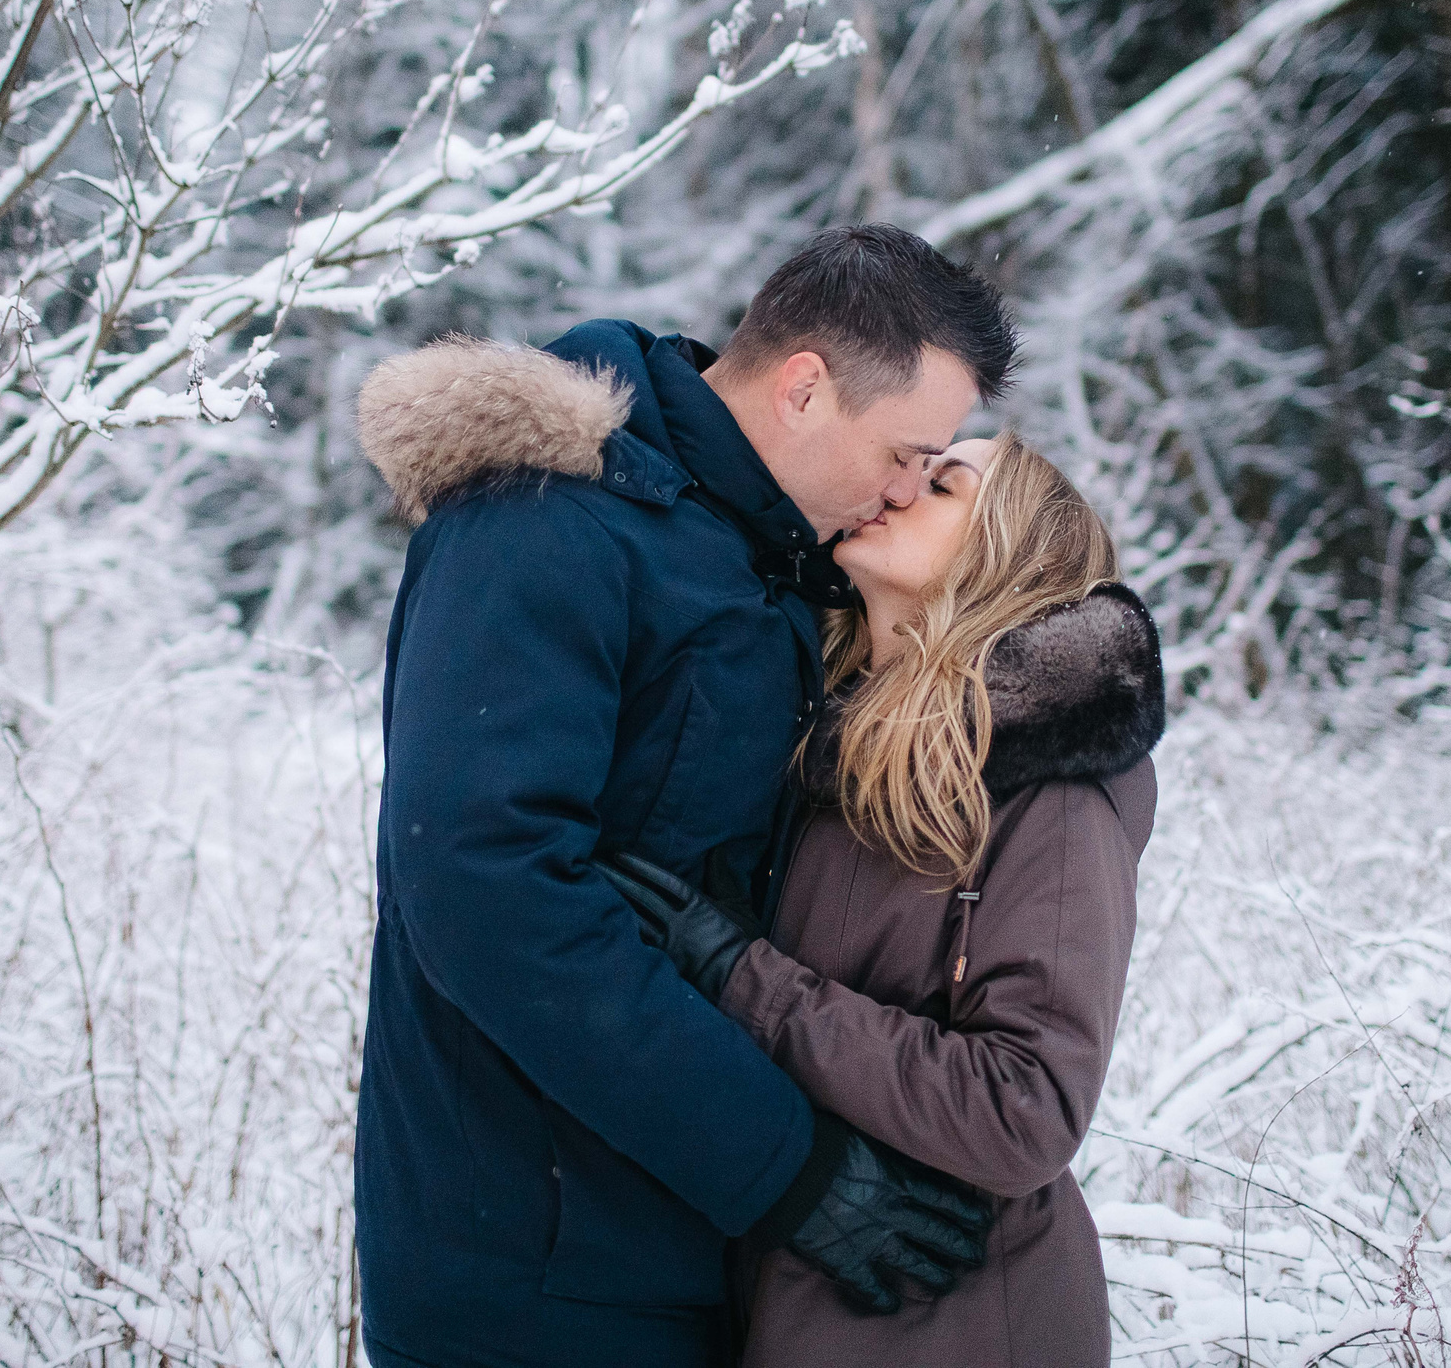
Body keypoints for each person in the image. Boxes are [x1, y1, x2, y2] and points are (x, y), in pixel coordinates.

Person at [351, 225, 1019, 1368]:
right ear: (805, 387)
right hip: (534, 1267)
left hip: (671, 1241)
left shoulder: (751, 555)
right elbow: (486, 893)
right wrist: (785, 1168)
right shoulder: (546, 525)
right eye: (907, 452)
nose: (910, 489)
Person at [604, 432, 1166, 1367]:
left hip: (962, 1316)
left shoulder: (1053, 782)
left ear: (1005, 552)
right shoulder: (829, 737)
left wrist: (745, 979)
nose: (899, 488)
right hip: (798, 1300)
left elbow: (1027, 1107)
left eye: (943, 485)